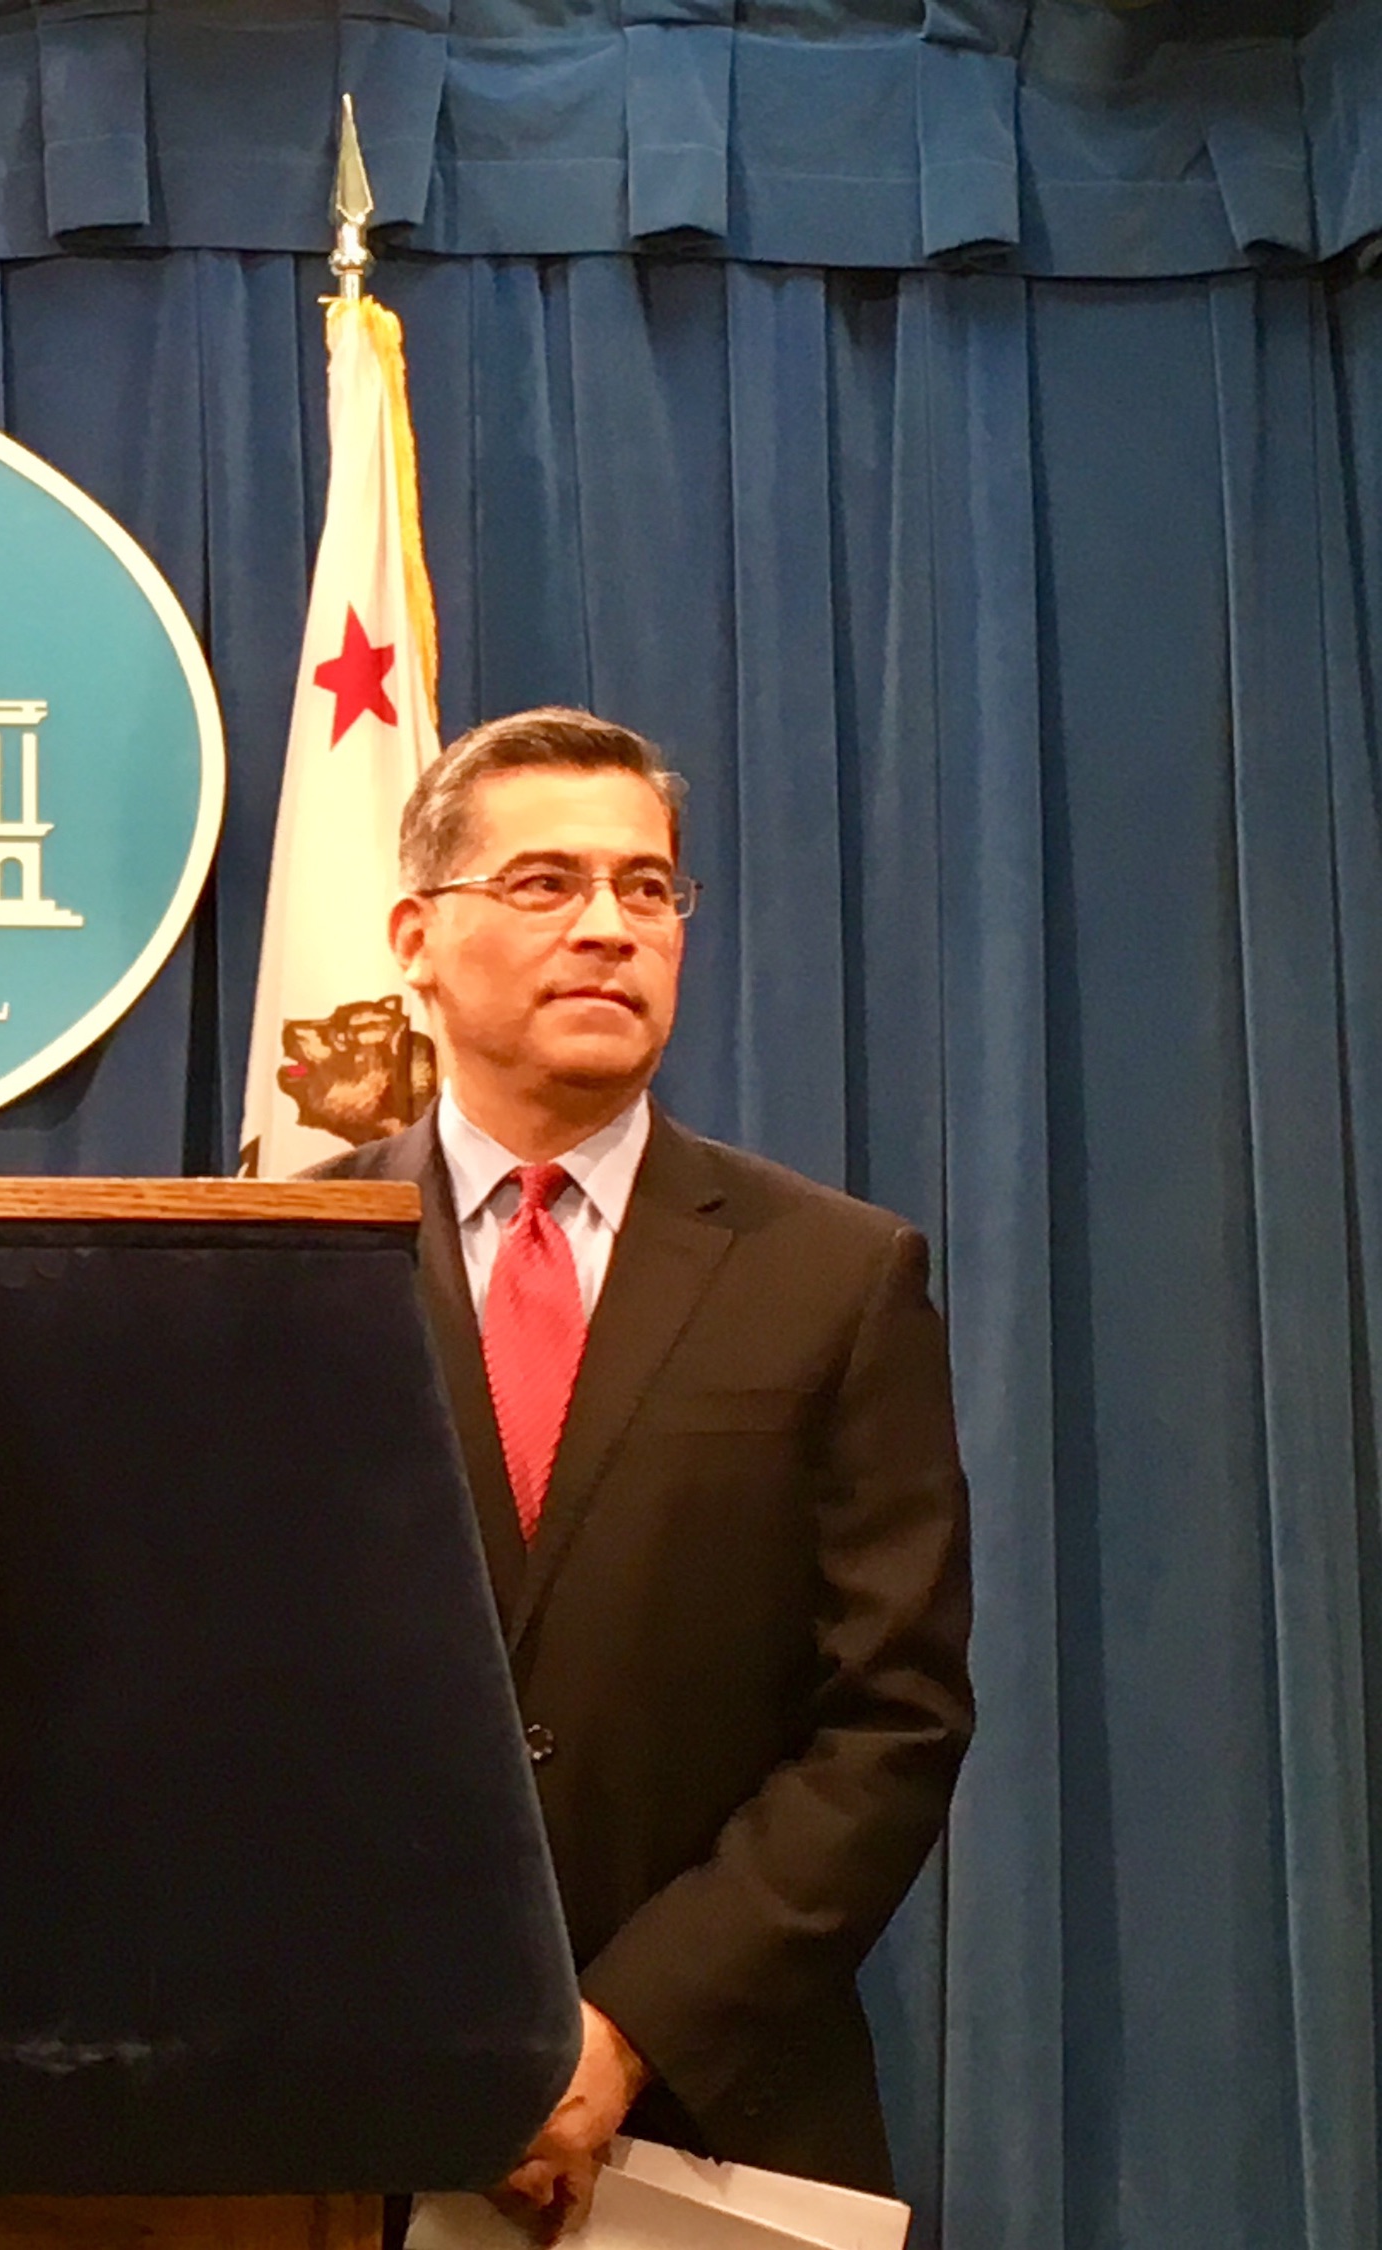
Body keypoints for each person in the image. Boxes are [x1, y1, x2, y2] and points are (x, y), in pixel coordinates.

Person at [311, 709, 972, 2239]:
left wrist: (618, 2033)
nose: (609, 925)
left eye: (648, 887)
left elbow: (893, 1714)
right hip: (350, 2109)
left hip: (719, 2120)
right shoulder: (281, 1263)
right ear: (418, 935)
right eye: (545, 882)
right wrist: (442, 2040)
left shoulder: (838, 1276)